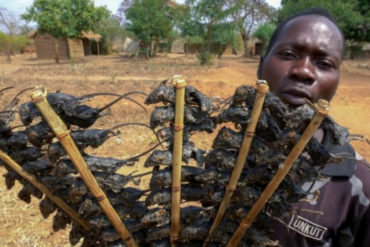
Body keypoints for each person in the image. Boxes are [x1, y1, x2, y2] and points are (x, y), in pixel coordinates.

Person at [256, 7, 370, 247]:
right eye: (288, 54)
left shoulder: (359, 186)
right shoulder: (228, 153)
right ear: (261, 66)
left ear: (337, 82)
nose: (303, 71)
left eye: (324, 63)